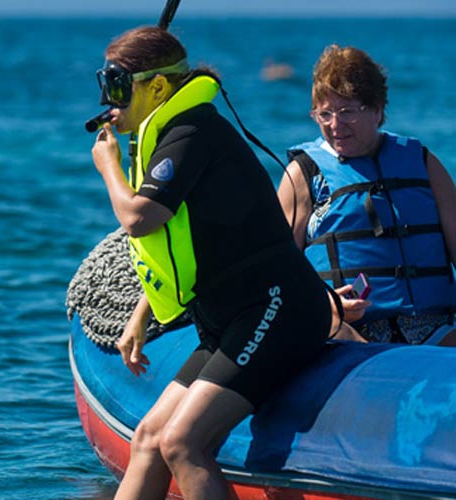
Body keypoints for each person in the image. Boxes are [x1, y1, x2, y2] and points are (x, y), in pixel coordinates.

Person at [90, 26, 334, 500]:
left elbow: (141, 219)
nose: (108, 98)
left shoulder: (192, 132)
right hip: (228, 319)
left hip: (276, 308)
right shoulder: (166, 135)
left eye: (118, 85)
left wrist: (109, 168)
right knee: (148, 439)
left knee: (184, 443)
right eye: (104, 83)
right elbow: (180, 245)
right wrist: (141, 315)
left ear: (157, 87)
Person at [277, 44, 456, 345]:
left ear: (377, 110)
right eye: (325, 114)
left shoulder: (423, 163)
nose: (335, 126)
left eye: (347, 111)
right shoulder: (303, 176)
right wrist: (326, 305)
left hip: (433, 329)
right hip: (348, 332)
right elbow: (279, 272)